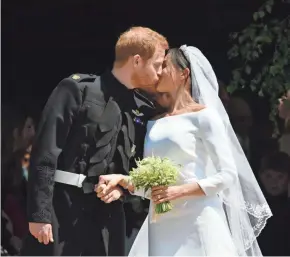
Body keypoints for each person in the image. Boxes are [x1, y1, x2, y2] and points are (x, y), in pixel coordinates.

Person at [96, 46, 272, 256]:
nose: (159, 71)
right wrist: (125, 181)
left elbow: (227, 176)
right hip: (161, 224)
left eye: (165, 66)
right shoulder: (154, 122)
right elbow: (155, 188)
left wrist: (178, 191)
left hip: (197, 220)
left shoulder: (204, 117)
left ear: (184, 73)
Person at [21, 26, 168, 256]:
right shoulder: (77, 90)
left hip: (109, 222)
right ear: (137, 61)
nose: (160, 72)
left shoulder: (143, 110)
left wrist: (123, 190)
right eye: (157, 64)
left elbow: (138, 168)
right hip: (63, 212)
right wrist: (39, 215)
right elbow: (45, 153)